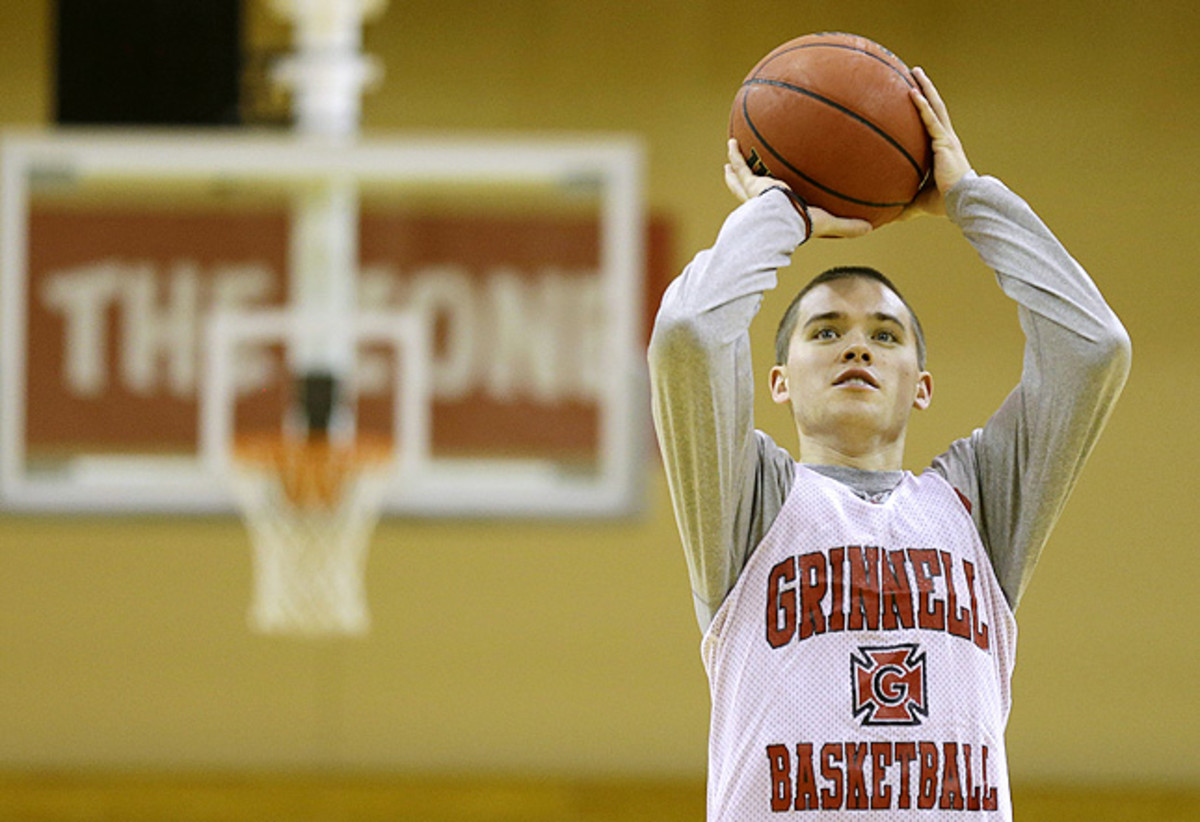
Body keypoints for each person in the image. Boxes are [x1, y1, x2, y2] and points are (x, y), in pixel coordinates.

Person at [648, 67, 1130, 820]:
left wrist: (970, 198)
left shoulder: (978, 505)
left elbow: (1093, 348)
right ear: (779, 382)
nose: (857, 347)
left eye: (885, 335)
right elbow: (688, 332)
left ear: (922, 385)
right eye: (825, 332)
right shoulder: (749, 504)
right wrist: (779, 214)